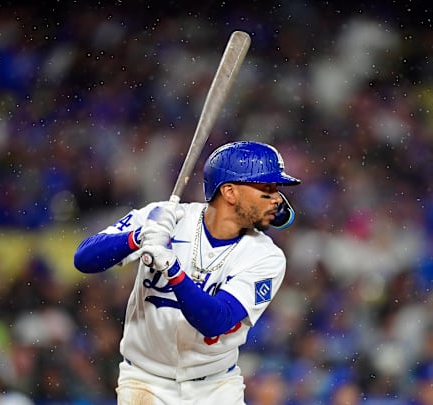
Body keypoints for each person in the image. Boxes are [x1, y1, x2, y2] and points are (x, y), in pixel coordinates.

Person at [74, 141, 301, 404]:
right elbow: (84, 259)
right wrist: (137, 237)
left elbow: (215, 321)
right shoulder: (167, 217)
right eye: (267, 188)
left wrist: (173, 270)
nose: (277, 198)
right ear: (230, 192)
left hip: (215, 387)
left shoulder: (266, 256)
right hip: (145, 381)